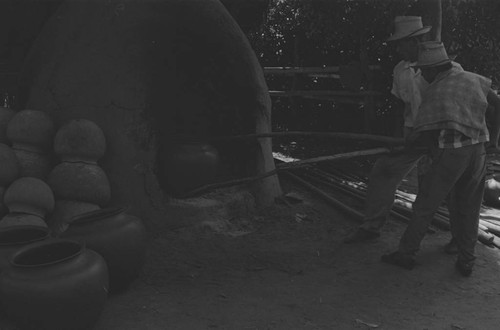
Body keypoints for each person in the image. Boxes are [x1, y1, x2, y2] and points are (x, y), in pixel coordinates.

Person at [381, 41, 500, 276]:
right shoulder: (475, 79)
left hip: (452, 153)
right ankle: (467, 260)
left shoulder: (437, 90)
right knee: (470, 206)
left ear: (435, 68)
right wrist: (494, 138)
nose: (422, 74)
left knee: (425, 204)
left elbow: (427, 132)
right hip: (478, 152)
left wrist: (407, 144)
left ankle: (406, 253)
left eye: (424, 70)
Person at [344, 16, 434, 243]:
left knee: (440, 185)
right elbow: (400, 106)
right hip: (411, 135)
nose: (397, 49)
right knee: (382, 172)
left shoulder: (438, 66)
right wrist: (396, 138)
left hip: (440, 137)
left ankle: (458, 236)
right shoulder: (400, 70)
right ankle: (371, 226)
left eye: (401, 43)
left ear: (416, 42)